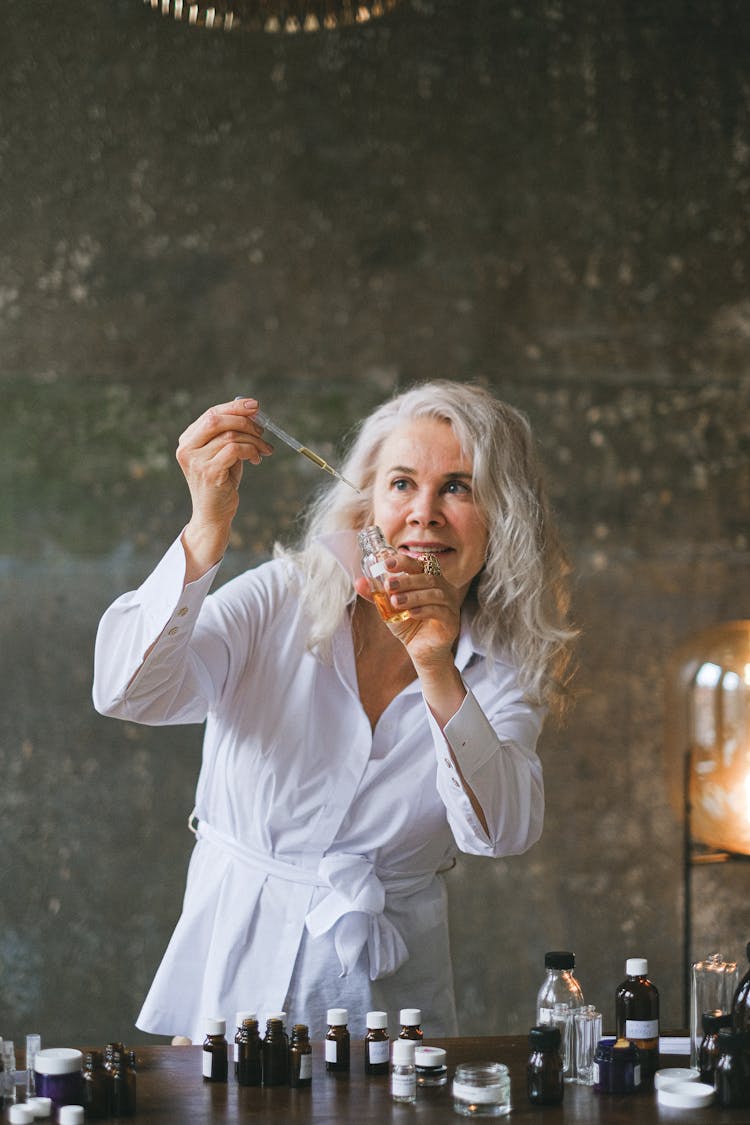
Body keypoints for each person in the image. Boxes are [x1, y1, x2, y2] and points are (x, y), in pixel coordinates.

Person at [93, 379, 576, 1043]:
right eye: (402, 483)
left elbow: (503, 831)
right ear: (368, 501)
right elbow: (128, 691)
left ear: (503, 516)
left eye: (459, 487)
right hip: (228, 990)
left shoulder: (501, 670)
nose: (425, 513)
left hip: (390, 1017)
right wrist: (205, 531)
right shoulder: (280, 598)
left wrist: (438, 668)